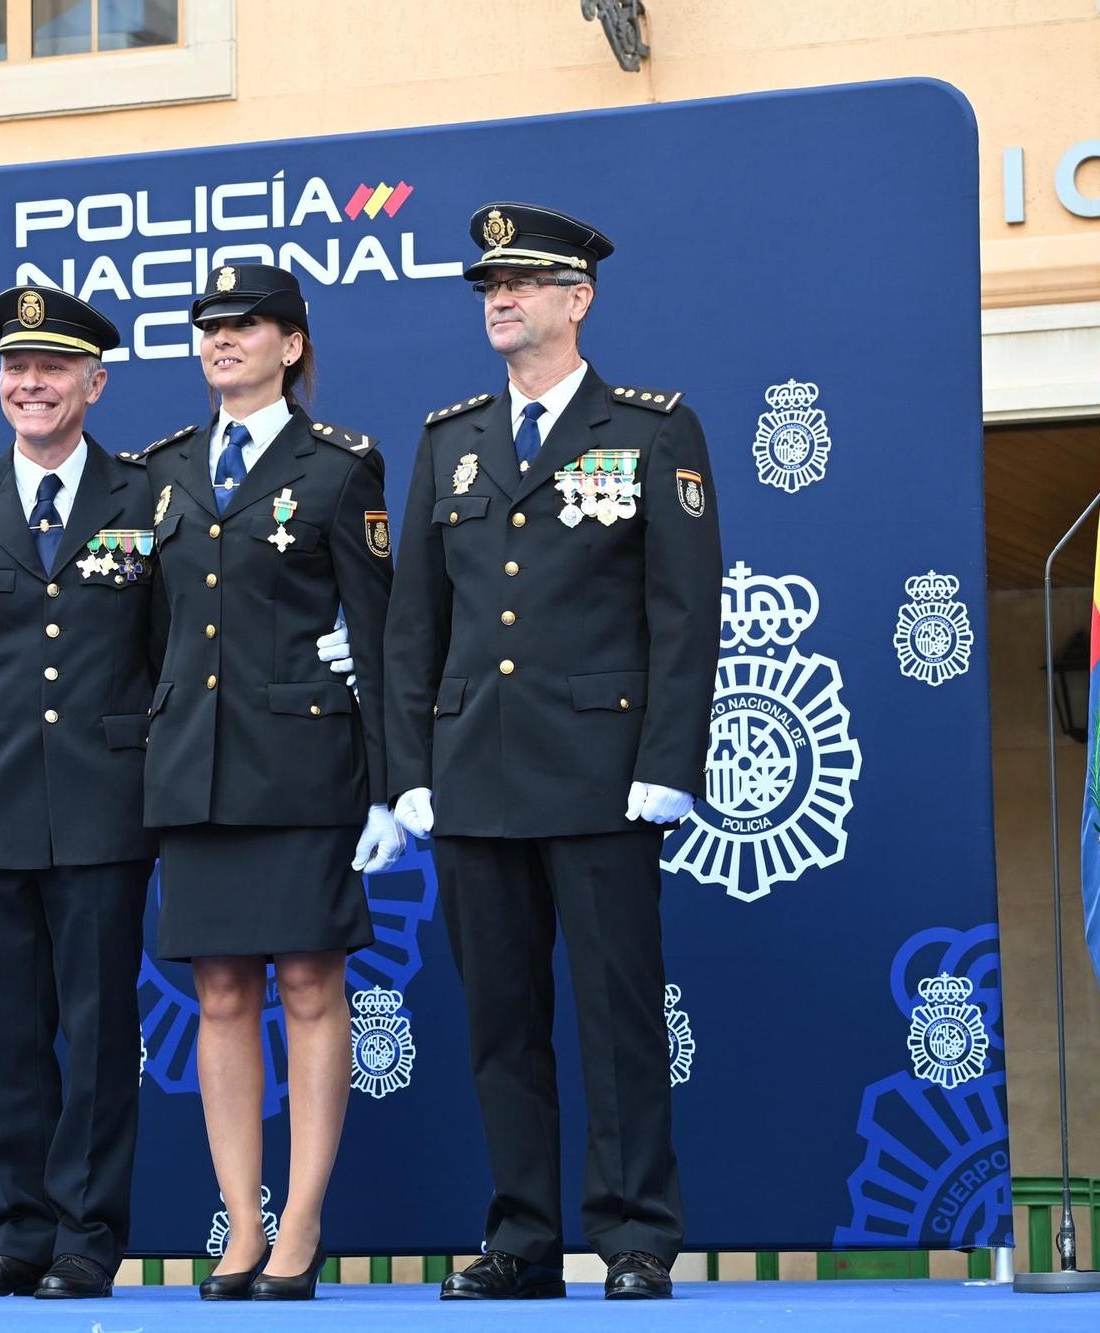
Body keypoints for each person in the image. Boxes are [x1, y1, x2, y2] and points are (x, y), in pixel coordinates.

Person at [0, 285, 361, 1299]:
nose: (30, 385)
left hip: (111, 800)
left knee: (103, 1038)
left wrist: (332, 652)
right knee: (5, 1036)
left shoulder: (146, 492)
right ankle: (17, 1229)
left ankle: (83, 1239)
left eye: (52, 370)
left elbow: (189, 635)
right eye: (16, 370)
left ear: (92, 384)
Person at [384, 203, 722, 1302]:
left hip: (599, 774)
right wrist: (408, 773)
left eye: (522, 281)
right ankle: (523, 1237)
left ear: (577, 299)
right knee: (498, 1026)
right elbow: (411, 628)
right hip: (473, 777)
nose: (499, 296)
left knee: (618, 1019)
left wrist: (666, 762)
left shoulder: (650, 429)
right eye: (488, 283)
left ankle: (632, 1236)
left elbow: (682, 615)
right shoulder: (449, 441)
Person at [142, 263, 404, 1302]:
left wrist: (389, 786)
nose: (220, 341)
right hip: (194, 770)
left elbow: (375, 635)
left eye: (243, 326)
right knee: (215, 991)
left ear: (289, 345)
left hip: (301, 765)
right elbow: (147, 636)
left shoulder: (341, 465)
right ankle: (239, 1225)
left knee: (305, 982)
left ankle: (299, 1223)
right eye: (207, 326)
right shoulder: (157, 471)